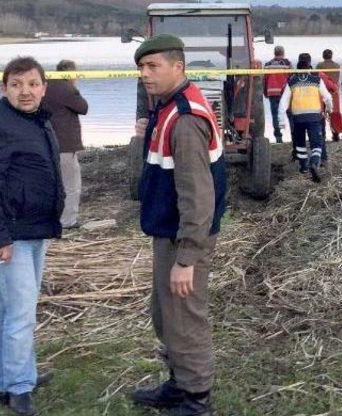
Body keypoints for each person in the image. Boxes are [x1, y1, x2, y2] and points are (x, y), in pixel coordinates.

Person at [130, 34, 227, 416]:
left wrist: (187, 256)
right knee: (165, 313)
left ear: (178, 67)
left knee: (184, 317)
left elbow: (198, 196)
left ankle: (196, 398)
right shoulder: (168, 106)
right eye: (141, 67)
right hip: (169, 231)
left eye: (153, 66)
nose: (145, 74)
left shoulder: (185, 118)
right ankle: (179, 383)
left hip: (182, 237)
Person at [0, 56, 64, 416]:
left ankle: (8, 381)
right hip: (8, 236)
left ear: (43, 88)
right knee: (21, 313)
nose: (26, 91)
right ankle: (20, 388)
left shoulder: (37, 119)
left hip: (31, 230)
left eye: (33, 84)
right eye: (17, 84)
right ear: (4, 88)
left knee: (12, 310)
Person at [42, 59, 88, 229]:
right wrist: (74, 88)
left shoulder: (46, 86)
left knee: (52, 183)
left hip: (47, 143)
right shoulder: (67, 88)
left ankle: (50, 218)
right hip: (65, 144)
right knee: (71, 184)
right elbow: (83, 107)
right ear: (71, 72)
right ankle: (68, 221)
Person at [278, 53, 333, 183]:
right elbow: (328, 97)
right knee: (316, 144)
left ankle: (303, 168)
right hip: (314, 117)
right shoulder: (316, 79)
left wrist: (281, 123)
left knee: (300, 144)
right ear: (309, 64)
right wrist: (330, 109)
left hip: (297, 118)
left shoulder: (292, 80)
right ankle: (314, 164)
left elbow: (282, 103)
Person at [316, 49, 342, 141]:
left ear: (323, 56)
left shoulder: (319, 65)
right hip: (334, 92)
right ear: (331, 56)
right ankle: (335, 134)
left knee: (321, 113)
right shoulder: (337, 65)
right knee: (334, 113)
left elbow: (317, 78)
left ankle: (322, 135)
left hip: (322, 92)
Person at [263, 46, 292, 143]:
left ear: (274, 53)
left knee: (275, 115)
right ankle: (294, 134)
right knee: (289, 114)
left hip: (272, 92)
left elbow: (264, 80)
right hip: (285, 93)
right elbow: (292, 77)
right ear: (283, 53)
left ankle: (278, 137)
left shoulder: (268, 64)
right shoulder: (287, 64)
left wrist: (265, 92)